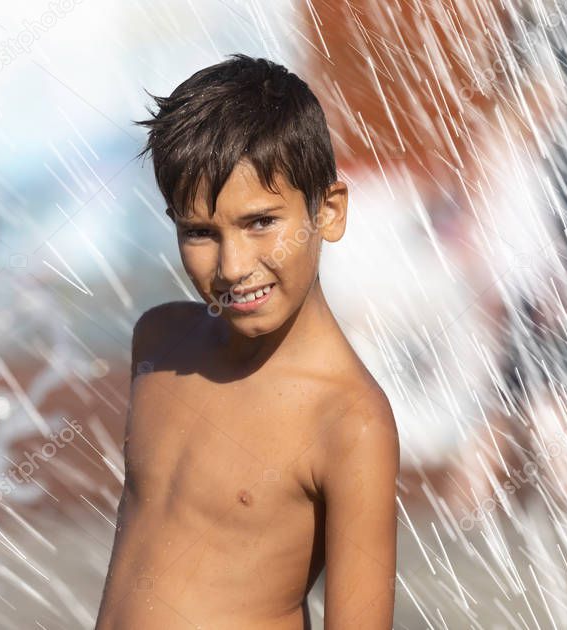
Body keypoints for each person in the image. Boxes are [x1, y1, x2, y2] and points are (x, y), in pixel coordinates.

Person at [94, 54, 399, 630]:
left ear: (328, 212)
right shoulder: (159, 344)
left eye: (261, 223)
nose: (233, 267)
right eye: (201, 232)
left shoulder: (349, 421)